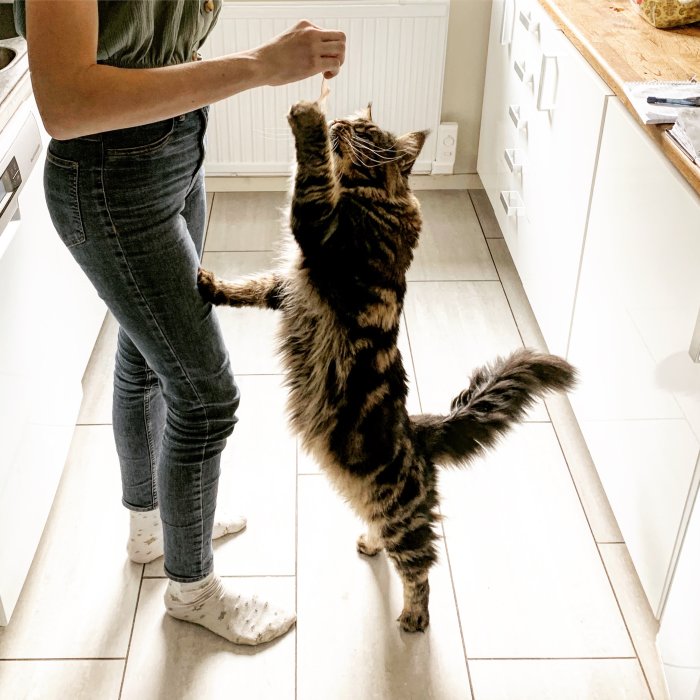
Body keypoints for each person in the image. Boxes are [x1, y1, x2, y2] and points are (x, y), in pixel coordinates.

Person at [16, 0, 345, 646]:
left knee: (146, 356)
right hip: (110, 179)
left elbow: (151, 42)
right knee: (205, 394)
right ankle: (192, 590)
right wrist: (259, 65)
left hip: (174, 152)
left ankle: (152, 527)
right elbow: (65, 103)